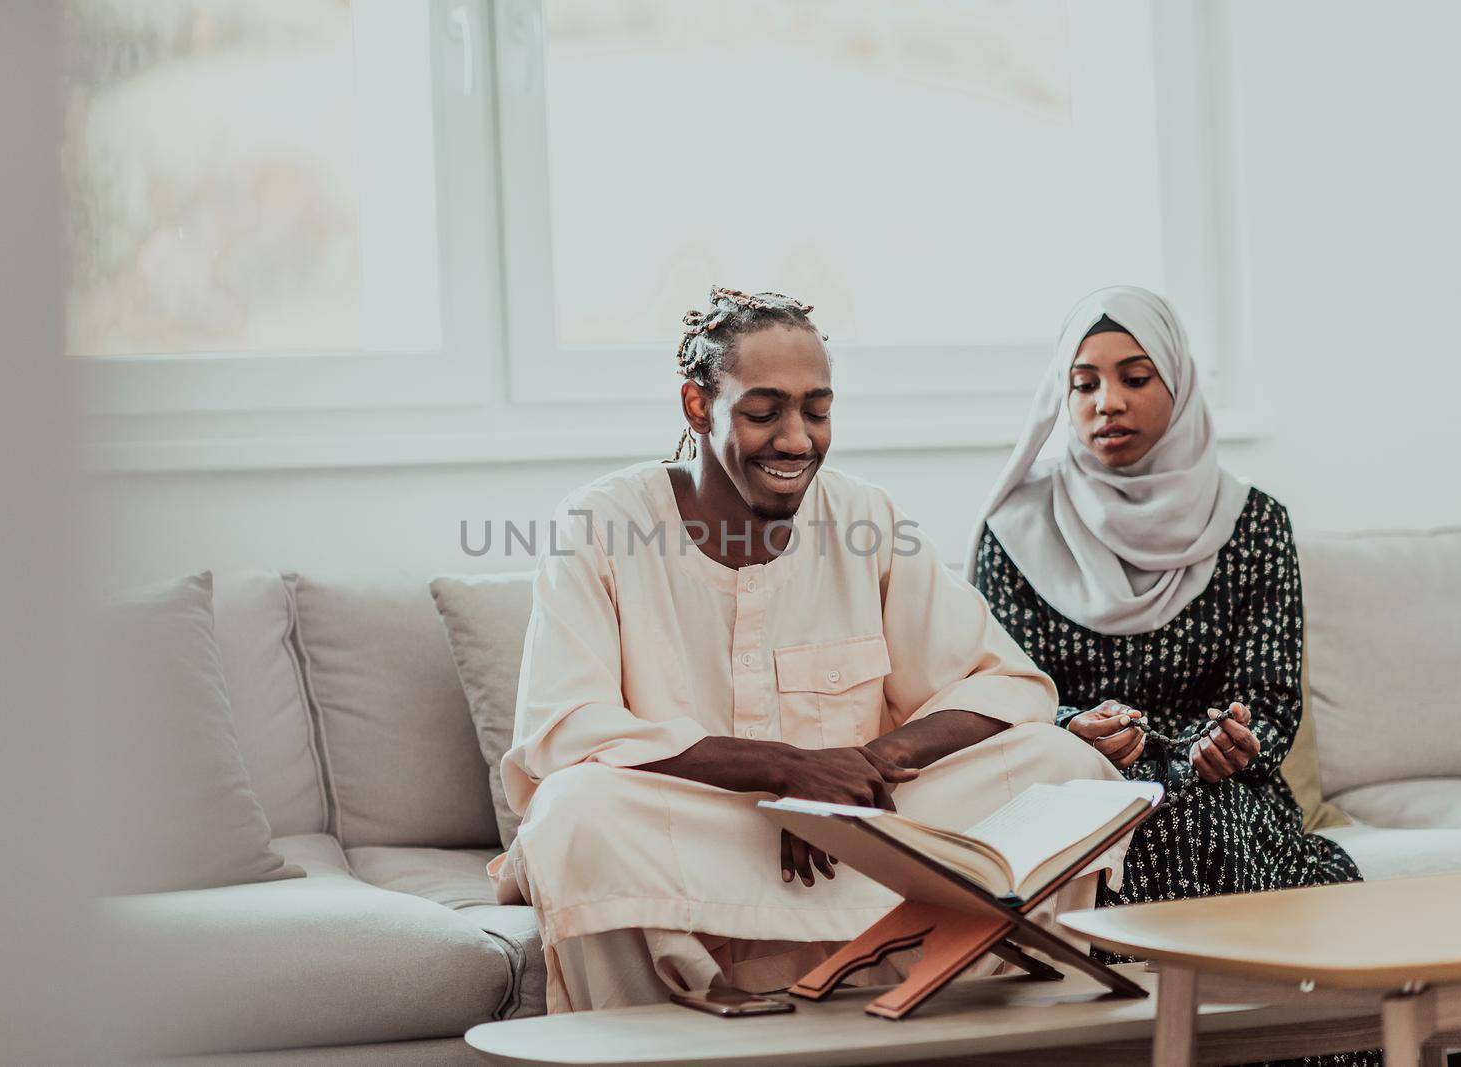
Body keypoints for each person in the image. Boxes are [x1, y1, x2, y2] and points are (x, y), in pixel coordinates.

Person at [490, 286, 1122, 1014]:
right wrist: (786, 771)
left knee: (1064, 766)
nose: (796, 439)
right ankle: (657, 1037)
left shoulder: (867, 517)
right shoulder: (598, 523)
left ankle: (977, 1028)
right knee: (576, 810)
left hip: (860, 835)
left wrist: (863, 771)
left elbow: (1006, 683)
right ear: (698, 406)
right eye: (763, 412)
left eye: (817, 410)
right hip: (702, 831)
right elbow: (566, 730)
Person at [968, 285, 1371, 1067]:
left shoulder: (1253, 523)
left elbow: (1271, 694)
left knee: (1212, 826)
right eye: (1083, 383)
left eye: (1134, 376)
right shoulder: (1013, 532)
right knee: (1147, 833)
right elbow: (1002, 693)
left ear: (1178, 384)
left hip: (1227, 788)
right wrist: (1073, 731)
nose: (1105, 402)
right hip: (1075, 795)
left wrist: (1220, 745)